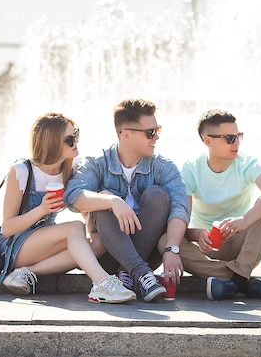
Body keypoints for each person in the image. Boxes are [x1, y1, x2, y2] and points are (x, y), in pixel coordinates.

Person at [0, 112, 136, 304]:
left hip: (46, 242)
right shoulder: (21, 171)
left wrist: (108, 201)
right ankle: (102, 283)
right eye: (70, 139)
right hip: (14, 246)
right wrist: (42, 210)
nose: (76, 141)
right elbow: (7, 228)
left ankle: (27, 273)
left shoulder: (71, 167)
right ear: (52, 142)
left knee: (98, 243)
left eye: (76, 135)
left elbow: (82, 203)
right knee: (74, 228)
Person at [65, 98, 190, 302]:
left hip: (148, 253)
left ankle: (131, 271)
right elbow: (74, 196)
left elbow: (180, 207)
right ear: (126, 134)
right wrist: (113, 201)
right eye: (150, 132)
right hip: (108, 255)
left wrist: (172, 248)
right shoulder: (98, 163)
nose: (156, 137)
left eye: (157, 129)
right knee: (102, 200)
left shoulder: (163, 167)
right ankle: (140, 273)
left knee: (158, 195)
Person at [162, 109, 261, 300]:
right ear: (207, 141)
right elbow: (180, 215)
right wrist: (197, 234)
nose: (236, 143)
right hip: (207, 248)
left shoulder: (247, 163)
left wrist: (243, 220)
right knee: (165, 241)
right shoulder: (191, 169)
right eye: (229, 138)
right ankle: (241, 280)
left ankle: (235, 279)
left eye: (238, 136)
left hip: (243, 247)